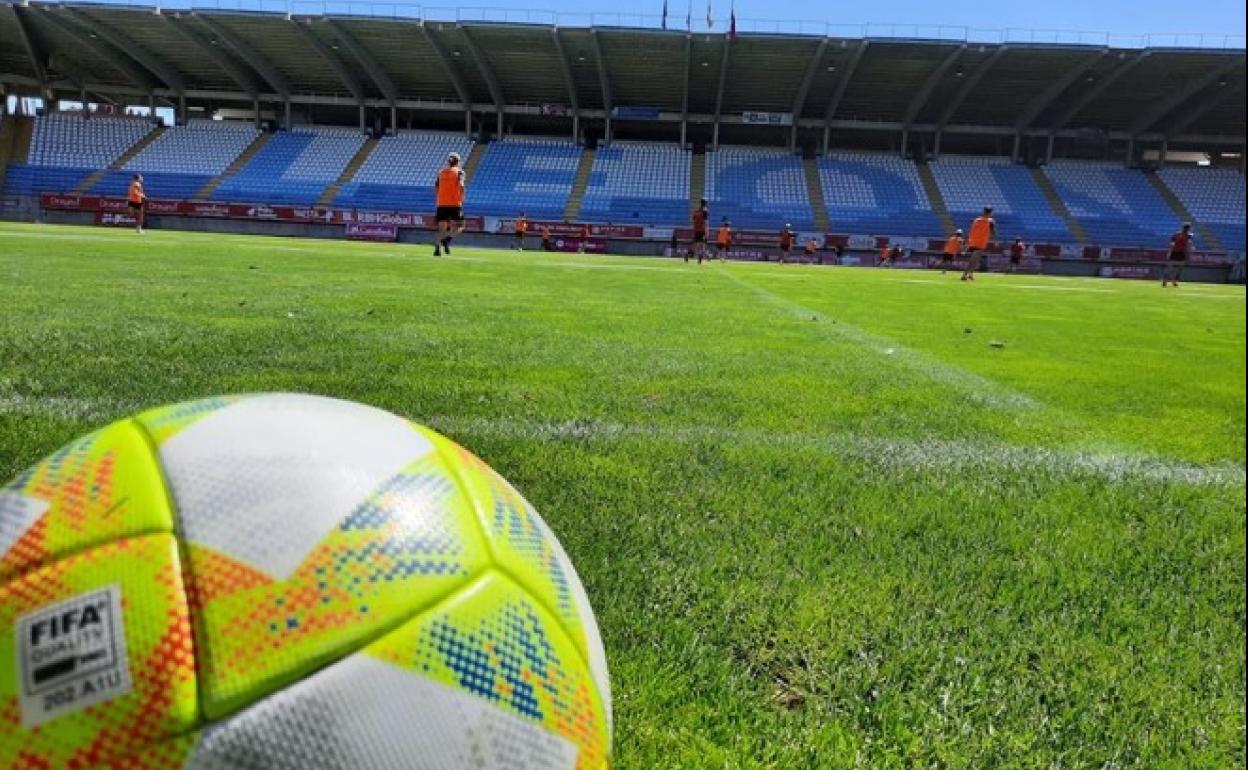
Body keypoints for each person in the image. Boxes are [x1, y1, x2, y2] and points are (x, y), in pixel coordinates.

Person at [433, 152, 466, 256]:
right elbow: (461, 185)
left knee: (442, 228)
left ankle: (437, 248)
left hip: (441, 203)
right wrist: (462, 198)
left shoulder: (441, 172)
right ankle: (447, 240)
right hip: (455, 203)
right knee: (461, 225)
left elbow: (436, 187)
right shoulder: (460, 172)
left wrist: (439, 199)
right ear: (458, 162)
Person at [963, 206, 996, 282]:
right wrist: (995, 240)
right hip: (980, 243)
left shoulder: (977, 219)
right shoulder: (991, 221)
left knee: (975, 259)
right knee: (973, 259)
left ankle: (970, 274)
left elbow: (971, 230)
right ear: (990, 213)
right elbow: (993, 231)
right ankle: (964, 275)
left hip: (973, 241)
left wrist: (967, 240)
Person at [1164, 222, 1194, 287]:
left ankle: (1168, 280)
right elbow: (1189, 244)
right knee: (1179, 268)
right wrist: (1190, 250)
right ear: (1188, 228)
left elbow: (1172, 244)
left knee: (1171, 267)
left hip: (1175, 252)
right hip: (1180, 252)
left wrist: (1169, 252)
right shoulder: (1189, 235)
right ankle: (1172, 281)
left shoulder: (1176, 234)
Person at [689, 199, 710, 264]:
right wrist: (707, 231)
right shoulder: (705, 211)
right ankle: (702, 256)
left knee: (697, 244)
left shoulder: (696, 211)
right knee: (703, 244)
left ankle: (695, 255)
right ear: (706, 203)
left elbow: (693, 221)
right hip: (702, 229)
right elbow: (706, 222)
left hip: (696, 230)